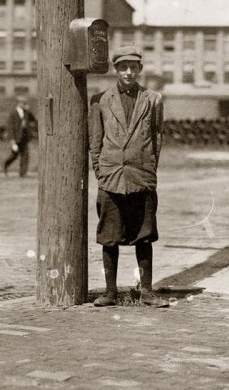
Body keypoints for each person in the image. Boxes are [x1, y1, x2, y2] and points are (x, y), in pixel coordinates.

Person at [88, 45, 168, 308]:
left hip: (141, 178)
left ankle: (146, 292)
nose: (129, 72)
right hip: (111, 179)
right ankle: (110, 292)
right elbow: (95, 142)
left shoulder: (153, 99)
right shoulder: (100, 100)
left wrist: (149, 169)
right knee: (109, 236)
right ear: (116, 69)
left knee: (144, 236)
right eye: (123, 67)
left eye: (134, 67)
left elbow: (156, 137)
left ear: (140, 69)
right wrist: (102, 173)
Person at [3, 96, 35, 177]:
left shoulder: (26, 112)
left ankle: (22, 173)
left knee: (25, 156)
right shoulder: (13, 113)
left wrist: (29, 110)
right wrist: (12, 141)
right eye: (22, 103)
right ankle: (5, 165)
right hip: (16, 138)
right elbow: (10, 127)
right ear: (18, 103)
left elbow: (33, 119)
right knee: (14, 155)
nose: (23, 104)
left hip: (24, 138)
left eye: (24, 103)